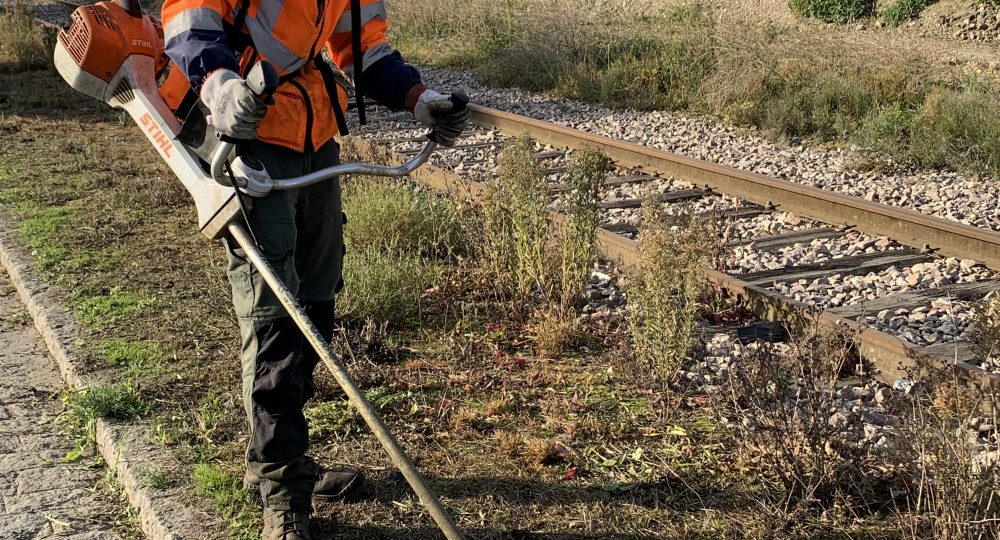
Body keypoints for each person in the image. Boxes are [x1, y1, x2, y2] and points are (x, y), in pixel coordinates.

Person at [157, 0, 468, 537]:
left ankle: (279, 460)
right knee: (276, 320)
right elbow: (190, 26)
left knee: (317, 306)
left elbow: (362, 47)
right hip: (248, 138)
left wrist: (417, 98)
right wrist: (220, 85)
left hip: (314, 137)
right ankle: (282, 496)